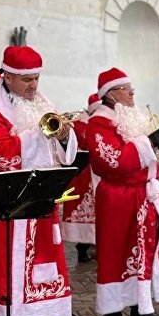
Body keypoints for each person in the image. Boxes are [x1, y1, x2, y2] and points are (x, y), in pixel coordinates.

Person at [0, 46, 87, 316]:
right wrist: (37, 133)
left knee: (52, 272)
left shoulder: (42, 103)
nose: (33, 85)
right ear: (6, 75)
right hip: (14, 210)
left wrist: (65, 135)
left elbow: (64, 152)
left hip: (44, 203)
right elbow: (1, 155)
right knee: (17, 279)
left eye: (36, 78)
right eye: (25, 79)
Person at [86, 68, 159, 316]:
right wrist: (148, 143)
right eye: (125, 87)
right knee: (116, 256)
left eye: (131, 86)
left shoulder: (135, 118)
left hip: (143, 196)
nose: (132, 91)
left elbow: (147, 159)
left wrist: (158, 150)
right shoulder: (99, 124)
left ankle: (141, 310)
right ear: (110, 95)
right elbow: (113, 162)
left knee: (144, 253)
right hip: (118, 199)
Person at [61, 92, 102, 262]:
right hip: (84, 174)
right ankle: (82, 248)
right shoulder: (81, 124)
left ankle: (94, 247)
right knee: (86, 210)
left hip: (97, 173)